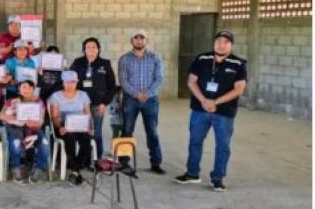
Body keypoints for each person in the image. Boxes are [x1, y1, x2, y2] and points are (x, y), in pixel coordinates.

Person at [176, 31, 247, 192]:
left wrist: (215, 102)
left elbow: (239, 89)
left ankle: (217, 178)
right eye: (218, 41)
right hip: (200, 109)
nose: (221, 45)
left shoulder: (238, 64)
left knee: (222, 146)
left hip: (224, 112)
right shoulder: (202, 59)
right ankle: (192, 173)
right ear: (214, 43)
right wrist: (203, 100)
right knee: (195, 141)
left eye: (226, 42)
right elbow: (191, 82)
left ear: (231, 45)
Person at [117, 29, 165, 174]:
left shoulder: (155, 58)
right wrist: (137, 94)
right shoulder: (124, 59)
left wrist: (147, 93)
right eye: (136, 38)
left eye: (142, 38)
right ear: (131, 41)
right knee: (127, 130)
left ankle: (155, 163)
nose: (139, 41)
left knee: (152, 131)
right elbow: (123, 80)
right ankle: (123, 162)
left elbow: (159, 78)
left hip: (151, 100)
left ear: (146, 40)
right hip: (130, 100)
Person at [70, 37, 116, 163]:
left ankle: (97, 160)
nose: (91, 49)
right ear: (84, 50)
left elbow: (112, 86)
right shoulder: (77, 62)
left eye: (94, 47)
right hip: (80, 105)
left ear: (98, 49)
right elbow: (70, 79)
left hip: (97, 104)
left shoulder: (105, 64)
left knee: (96, 133)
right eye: (88, 47)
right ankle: (83, 159)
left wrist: (104, 103)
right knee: (82, 132)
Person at [0, 79, 50, 184]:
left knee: (45, 145)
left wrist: (33, 123)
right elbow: (1, 116)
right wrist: (16, 118)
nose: (26, 90)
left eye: (28, 87)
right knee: (16, 145)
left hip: (34, 129)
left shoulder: (39, 101)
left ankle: (37, 169)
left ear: (33, 89)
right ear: (19, 89)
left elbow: (40, 121)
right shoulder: (13, 100)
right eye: (23, 87)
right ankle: (16, 168)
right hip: (16, 128)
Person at [48, 71, 93, 186]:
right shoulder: (56, 96)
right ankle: (76, 170)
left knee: (87, 143)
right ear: (63, 83)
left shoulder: (83, 95)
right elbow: (54, 117)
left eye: (73, 82)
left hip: (81, 126)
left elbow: (88, 114)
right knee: (70, 138)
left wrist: (89, 127)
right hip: (65, 127)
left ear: (77, 82)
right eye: (67, 82)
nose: (70, 84)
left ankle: (75, 170)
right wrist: (60, 127)